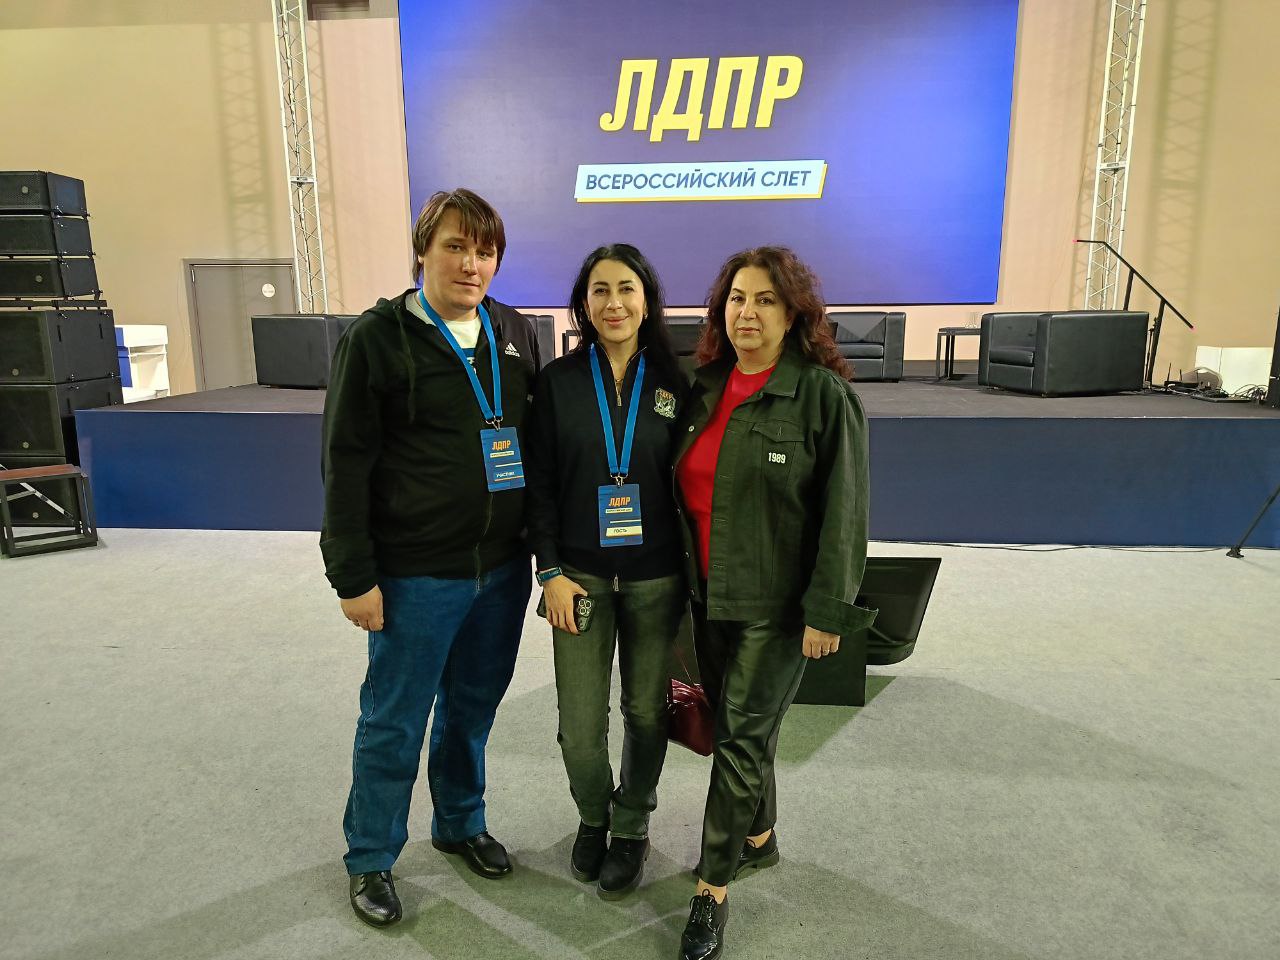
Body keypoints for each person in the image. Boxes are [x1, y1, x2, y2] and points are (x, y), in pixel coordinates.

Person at [320, 188, 540, 927]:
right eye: (455, 247)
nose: (471, 264)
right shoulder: (377, 338)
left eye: (484, 251)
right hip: (414, 573)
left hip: (501, 570)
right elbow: (345, 463)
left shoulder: (513, 330)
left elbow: (531, 445)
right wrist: (353, 575)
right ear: (422, 251)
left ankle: (460, 822)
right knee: (395, 720)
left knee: (471, 712)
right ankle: (371, 856)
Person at [672, 247, 875, 959]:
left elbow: (844, 516)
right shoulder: (703, 388)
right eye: (736, 299)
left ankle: (711, 892)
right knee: (742, 731)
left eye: (764, 300)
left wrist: (828, 610)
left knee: (737, 741)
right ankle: (758, 837)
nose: (747, 313)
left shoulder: (822, 398)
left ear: (794, 315)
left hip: (776, 608)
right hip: (707, 597)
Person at [524, 244, 688, 899]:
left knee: (647, 714)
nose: (613, 303)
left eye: (626, 289)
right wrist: (549, 571)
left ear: (647, 301)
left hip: (657, 580)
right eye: (600, 290)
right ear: (583, 303)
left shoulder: (678, 382)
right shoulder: (558, 383)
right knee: (580, 730)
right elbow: (538, 484)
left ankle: (631, 826)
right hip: (579, 580)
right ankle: (594, 816)